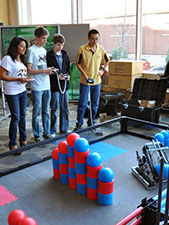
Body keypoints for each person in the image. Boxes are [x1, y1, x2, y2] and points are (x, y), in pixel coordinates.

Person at [74, 29, 109, 130]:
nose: (95, 41)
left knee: (95, 104)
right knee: (83, 103)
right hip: (85, 81)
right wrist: (84, 74)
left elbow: (107, 61)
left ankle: (91, 122)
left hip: (96, 81)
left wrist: (102, 70)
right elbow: (78, 63)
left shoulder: (101, 49)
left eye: (97, 39)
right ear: (89, 38)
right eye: (93, 39)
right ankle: (79, 124)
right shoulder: (82, 49)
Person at [0, 37, 29, 151]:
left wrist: (25, 79)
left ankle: (23, 139)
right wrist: (17, 79)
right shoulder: (7, 59)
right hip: (12, 92)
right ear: (15, 46)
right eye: (21, 46)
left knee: (23, 116)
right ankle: (12, 142)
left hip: (22, 90)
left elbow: (21, 75)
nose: (24, 49)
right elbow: (2, 76)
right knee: (16, 117)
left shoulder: (22, 60)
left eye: (25, 47)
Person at [26, 26, 54, 142]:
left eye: (46, 39)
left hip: (46, 84)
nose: (44, 41)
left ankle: (46, 132)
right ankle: (37, 134)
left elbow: (43, 66)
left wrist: (49, 69)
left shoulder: (43, 51)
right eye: (42, 38)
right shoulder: (31, 50)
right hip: (37, 86)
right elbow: (29, 70)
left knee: (46, 111)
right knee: (37, 111)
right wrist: (43, 71)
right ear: (36, 37)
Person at [46, 34, 70, 136]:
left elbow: (68, 68)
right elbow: (48, 70)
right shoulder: (49, 55)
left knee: (65, 107)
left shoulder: (65, 54)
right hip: (55, 86)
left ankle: (64, 128)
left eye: (62, 45)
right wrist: (56, 76)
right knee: (54, 108)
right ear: (54, 44)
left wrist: (67, 76)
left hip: (65, 85)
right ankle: (52, 130)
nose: (60, 47)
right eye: (58, 45)